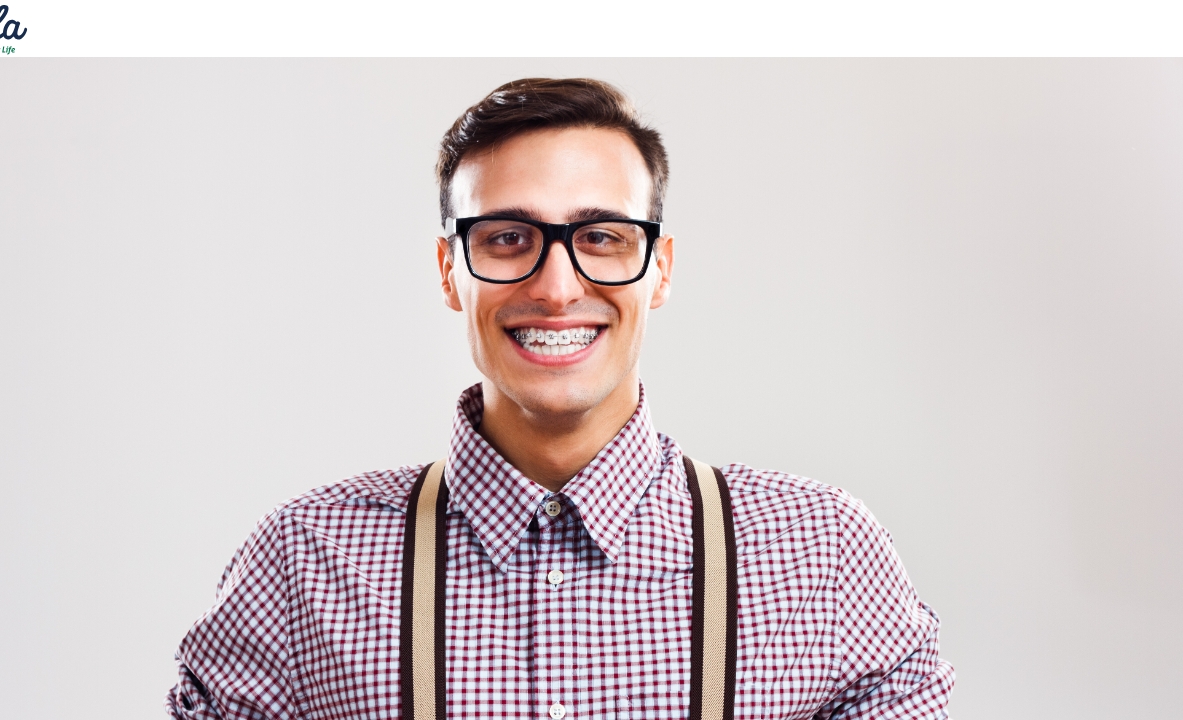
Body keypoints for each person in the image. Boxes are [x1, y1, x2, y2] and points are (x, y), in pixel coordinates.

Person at [166, 77, 955, 720]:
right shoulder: (304, 561)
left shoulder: (826, 556)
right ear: (449, 272)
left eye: (601, 237)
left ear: (660, 269)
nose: (556, 287)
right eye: (507, 238)